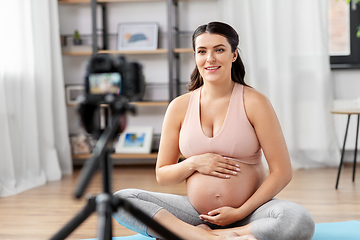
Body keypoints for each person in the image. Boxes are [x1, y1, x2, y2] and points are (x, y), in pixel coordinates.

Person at [113, 21, 315, 240]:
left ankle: (206, 236)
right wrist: (193, 163)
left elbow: (282, 172)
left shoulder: (255, 102)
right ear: (195, 56)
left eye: (219, 49)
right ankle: (210, 237)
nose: (210, 58)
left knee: (298, 220)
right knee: (120, 200)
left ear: (234, 54)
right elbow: (163, 175)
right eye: (202, 51)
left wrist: (240, 212)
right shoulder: (179, 107)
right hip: (195, 213)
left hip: (251, 213)